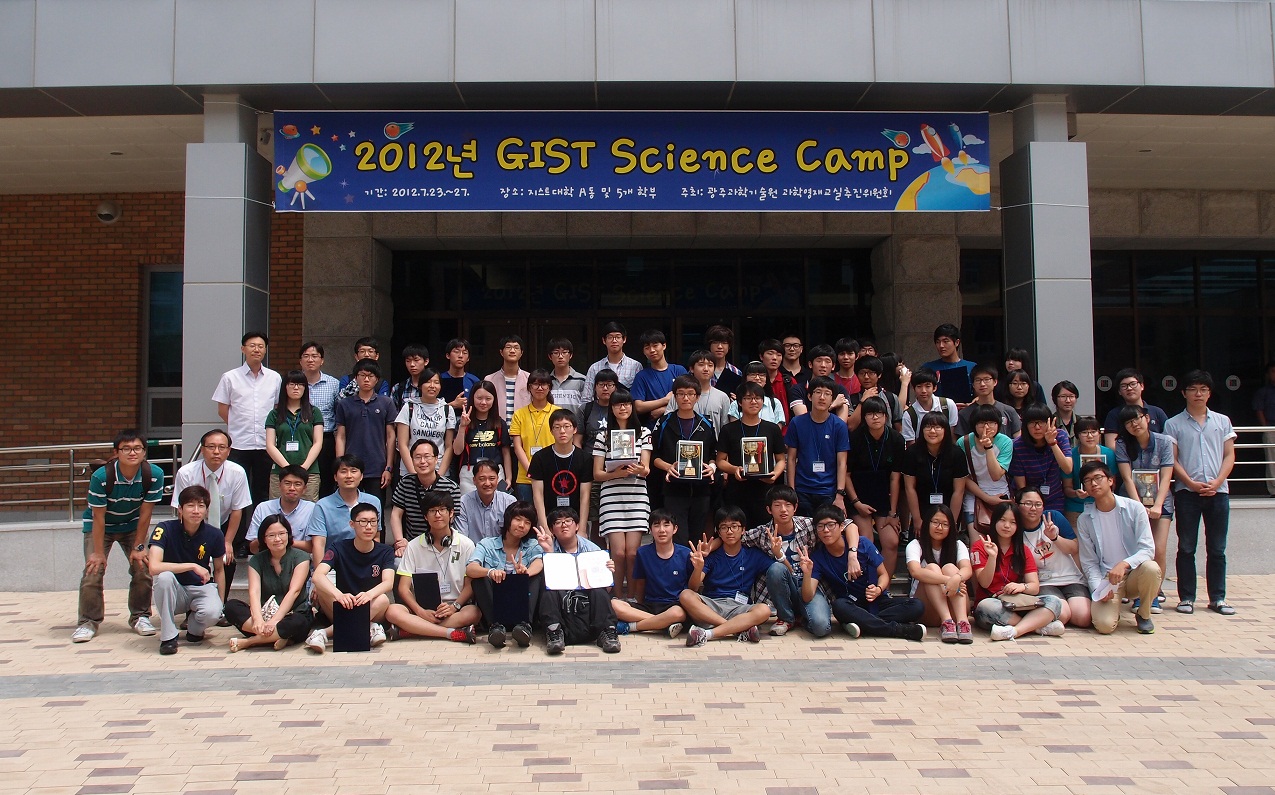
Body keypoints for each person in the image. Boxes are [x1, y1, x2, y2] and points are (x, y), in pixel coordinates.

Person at [72, 430, 166, 643]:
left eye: (137, 448)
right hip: (101, 526)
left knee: (142, 567)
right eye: (126, 449)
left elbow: (146, 513)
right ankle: (88, 622)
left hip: (132, 526)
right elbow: (98, 517)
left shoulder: (154, 474)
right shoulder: (101, 477)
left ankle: (140, 616)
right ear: (116, 452)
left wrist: (139, 546)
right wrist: (98, 552)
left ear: (144, 452)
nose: (132, 453)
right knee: (93, 570)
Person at [1165, 370, 1237, 616]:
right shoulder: (1173, 424)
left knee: (1217, 548)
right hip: (1187, 493)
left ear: (1209, 393)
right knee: (1186, 547)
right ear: (1184, 393)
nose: (1198, 394)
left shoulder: (1222, 421)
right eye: (1193, 389)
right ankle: (1186, 598)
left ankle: (1218, 598)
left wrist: (1217, 481)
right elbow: (1172, 460)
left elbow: (1229, 455)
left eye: (1203, 389)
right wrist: (1191, 482)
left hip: (1219, 492)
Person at [799, 504, 926, 641]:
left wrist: (878, 589)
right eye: (820, 526)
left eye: (831, 525)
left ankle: (864, 624)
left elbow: (883, 574)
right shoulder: (818, 557)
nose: (826, 530)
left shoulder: (863, 544)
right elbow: (807, 597)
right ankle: (898, 630)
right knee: (839, 606)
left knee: (917, 606)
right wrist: (807, 573)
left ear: (842, 526)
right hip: (852, 605)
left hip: (877, 601)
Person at [740, 485, 844, 638]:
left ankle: (801, 618)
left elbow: (848, 524)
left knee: (821, 628)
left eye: (788, 505)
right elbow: (733, 537)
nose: (783, 510)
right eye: (777, 505)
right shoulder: (762, 533)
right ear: (769, 509)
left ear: (795, 508)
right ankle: (786, 618)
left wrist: (853, 552)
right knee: (776, 568)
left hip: (810, 584)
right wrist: (709, 549)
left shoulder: (809, 525)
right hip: (784, 586)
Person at [1073, 461, 1160, 634]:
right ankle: (1114, 609)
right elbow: (1089, 562)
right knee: (1104, 626)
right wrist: (1098, 588)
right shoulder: (1085, 519)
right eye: (1088, 480)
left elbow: (1148, 549)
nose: (1093, 483)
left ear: (1111, 480)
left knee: (1151, 568)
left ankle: (1143, 614)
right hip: (1107, 579)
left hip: (1134, 572)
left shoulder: (1135, 508)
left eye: (1098, 477)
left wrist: (1124, 564)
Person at [384, 491, 481, 644]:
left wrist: (454, 607)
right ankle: (450, 633)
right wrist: (420, 612)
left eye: (442, 510)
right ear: (425, 516)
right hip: (423, 609)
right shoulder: (413, 546)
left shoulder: (466, 544)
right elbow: (403, 588)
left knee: (474, 612)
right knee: (392, 611)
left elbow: (469, 585)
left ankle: (412, 630)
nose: (437, 515)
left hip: (454, 607)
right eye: (432, 511)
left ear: (451, 513)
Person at [170, 429, 250, 603]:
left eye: (222, 447)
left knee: (227, 560)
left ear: (229, 450)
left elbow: (237, 510)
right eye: (211, 447)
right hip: (194, 523)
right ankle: (194, 604)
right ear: (202, 449)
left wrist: (227, 542)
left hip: (224, 523)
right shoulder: (186, 473)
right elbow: (181, 509)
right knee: (194, 559)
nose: (216, 452)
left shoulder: (237, 472)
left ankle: (220, 604)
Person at [305, 502, 395, 653]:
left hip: (370, 605)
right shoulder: (338, 547)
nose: (369, 527)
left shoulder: (385, 551)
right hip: (344, 604)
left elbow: (388, 583)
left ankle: (323, 633)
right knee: (321, 589)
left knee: (383, 599)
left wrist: (368, 595)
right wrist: (339, 595)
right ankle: (370, 627)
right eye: (363, 522)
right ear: (352, 524)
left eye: (373, 522)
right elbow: (318, 575)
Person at [680, 507, 776, 646]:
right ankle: (736, 628)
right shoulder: (711, 555)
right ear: (719, 532)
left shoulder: (753, 555)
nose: (729, 531)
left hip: (740, 608)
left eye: (734, 526)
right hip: (712, 606)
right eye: (724, 527)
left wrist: (779, 554)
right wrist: (698, 568)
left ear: (743, 530)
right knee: (685, 595)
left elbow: (780, 571)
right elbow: (693, 587)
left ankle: (707, 634)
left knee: (764, 610)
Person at [148, 485, 226, 655]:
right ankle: (168, 637)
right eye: (190, 505)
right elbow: (154, 567)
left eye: (201, 506)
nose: (196, 511)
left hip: (200, 588)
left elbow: (219, 570)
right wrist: (192, 566)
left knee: (213, 612)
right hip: (174, 590)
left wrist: (220, 603)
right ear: (180, 509)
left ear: (206, 511)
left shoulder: (215, 534)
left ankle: (194, 628)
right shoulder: (164, 528)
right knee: (165, 578)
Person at [971, 503, 1065, 641]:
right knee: (986, 606)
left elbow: (1034, 587)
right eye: (1002, 520)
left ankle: (1014, 631)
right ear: (994, 521)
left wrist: (1021, 587)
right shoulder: (980, 546)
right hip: (992, 603)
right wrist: (992, 557)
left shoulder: (1023, 549)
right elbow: (984, 583)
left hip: (1017, 604)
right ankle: (1037, 626)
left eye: (1013, 522)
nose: (1007, 526)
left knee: (1054, 601)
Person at [532, 508, 621, 654]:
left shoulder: (592, 549)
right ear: (552, 530)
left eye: (568, 521)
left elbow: (607, 590)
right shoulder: (545, 547)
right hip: (561, 600)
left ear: (577, 526)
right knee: (548, 586)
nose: (564, 525)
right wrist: (549, 552)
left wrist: (608, 573)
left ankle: (607, 632)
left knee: (598, 588)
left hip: (586, 599)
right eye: (558, 522)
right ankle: (554, 633)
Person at [592, 389, 652, 600]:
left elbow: (646, 469)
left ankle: (633, 600)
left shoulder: (644, 432)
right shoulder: (603, 435)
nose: (622, 408)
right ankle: (617, 599)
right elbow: (597, 474)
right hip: (612, 498)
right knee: (617, 553)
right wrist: (616, 473)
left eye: (626, 404)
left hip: (636, 497)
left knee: (633, 553)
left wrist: (639, 469)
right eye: (618, 404)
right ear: (612, 408)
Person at [212, 331, 282, 511]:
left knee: (262, 492)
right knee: (236, 493)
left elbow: (277, 408)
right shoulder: (230, 377)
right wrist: (239, 425)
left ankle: (261, 527)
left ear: (265, 350)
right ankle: (238, 529)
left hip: (266, 445)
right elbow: (222, 409)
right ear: (243, 349)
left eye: (260, 346)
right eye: (252, 346)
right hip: (238, 444)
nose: (256, 350)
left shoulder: (274, 378)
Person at [1115, 404, 1175, 612]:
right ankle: (1134, 592)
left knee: (1158, 549)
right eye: (1128, 422)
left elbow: (1166, 476)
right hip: (1132, 502)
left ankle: (1152, 596)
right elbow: (1126, 477)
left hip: (1161, 502)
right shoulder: (1122, 443)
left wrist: (1157, 504)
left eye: (1137, 418)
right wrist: (1139, 506)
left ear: (1147, 418)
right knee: (1134, 548)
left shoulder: (1165, 442)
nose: (1134, 424)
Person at [224, 513, 311, 652]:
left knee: (298, 622)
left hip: (292, 613)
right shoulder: (256, 560)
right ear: (264, 539)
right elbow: (254, 592)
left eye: (282, 534)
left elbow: (294, 591)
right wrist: (258, 619)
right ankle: (279, 637)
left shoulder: (301, 557)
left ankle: (250, 642)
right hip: (265, 613)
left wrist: (274, 621)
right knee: (231, 607)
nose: (277, 539)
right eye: (271, 535)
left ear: (288, 534)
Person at [465, 501, 546, 649]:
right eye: (518, 519)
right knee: (479, 579)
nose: (522, 525)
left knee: (536, 577)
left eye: (527, 522)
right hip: (496, 606)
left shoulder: (532, 545)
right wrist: (490, 572)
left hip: (522, 606)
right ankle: (496, 627)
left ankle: (525, 627)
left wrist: (525, 573)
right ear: (508, 519)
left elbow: (539, 563)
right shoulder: (487, 544)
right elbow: (470, 568)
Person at [654, 375, 719, 546]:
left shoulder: (706, 423)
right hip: (673, 490)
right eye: (681, 394)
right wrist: (668, 467)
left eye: (690, 394)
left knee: (697, 538)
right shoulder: (664, 422)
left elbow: (714, 454)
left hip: (701, 490)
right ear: (675, 396)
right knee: (678, 539)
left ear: (697, 397)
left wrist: (712, 467)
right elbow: (654, 456)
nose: (685, 398)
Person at [845, 396, 906, 575]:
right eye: (870, 414)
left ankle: (884, 585)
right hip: (859, 497)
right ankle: (869, 583)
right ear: (864, 417)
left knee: (891, 542)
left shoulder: (896, 439)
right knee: (866, 541)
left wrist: (893, 512)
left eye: (879, 413)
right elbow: (846, 475)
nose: (875, 417)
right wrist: (856, 503)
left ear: (886, 416)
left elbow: (895, 478)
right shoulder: (855, 438)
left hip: (884, 498)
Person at [1017, 487, 1091, 628]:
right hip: (1043, 583)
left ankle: (1043, 620)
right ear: (1018, 505)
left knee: (1083, 617)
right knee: (1062, 614)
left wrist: (1055, 537)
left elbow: (1074, 548)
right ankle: (1042, 622)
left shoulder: (1054, 517)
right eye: (1028, 504)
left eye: (1038, 504)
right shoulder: (1016, 529)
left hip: (1070, 577)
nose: (1033, 508)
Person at [717, 382, 786, 528]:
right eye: (748, 398)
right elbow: (720, 461)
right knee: (737, 529)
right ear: (740, 402)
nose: (754, 402)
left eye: (758, 398)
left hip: (764, 490)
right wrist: (734, 469)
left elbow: (781, 459)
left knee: (764, 530)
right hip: (737, 490)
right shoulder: (728, 429)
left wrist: (774, 474)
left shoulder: (772, 429)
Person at [610, 510, 689, 637]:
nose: (661, 530)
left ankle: (632, 627)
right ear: (650, 530)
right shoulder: (643, 552)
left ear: (675, 529)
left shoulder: (685, 553)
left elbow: (692, 588)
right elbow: (641, 583)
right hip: (650, 605)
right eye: (656, 525)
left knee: (677, 613)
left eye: (666, 525)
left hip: (674, 605)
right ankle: (664, 625)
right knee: (614, 604)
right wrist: (639, 603)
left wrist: (698, 568)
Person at [783, 375, 850, 518]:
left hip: (828, 490)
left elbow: (842, 462)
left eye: (827, 394)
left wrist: (840, 494)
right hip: (802, 489)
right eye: (818, 392)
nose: (822, 397)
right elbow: (791, 459)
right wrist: (791, 491)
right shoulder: (797, 423)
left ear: (832, 399)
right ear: (809, 396)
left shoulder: (839, 426)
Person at [905, 505, 973, 643]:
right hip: (926, 609)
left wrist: (956, 578)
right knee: (931, 568)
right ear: (927, 523)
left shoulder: (958, 545)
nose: (939, 527)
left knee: (950, 568)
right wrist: (948, 580)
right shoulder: (915, 544)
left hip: (955, 608)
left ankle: (963, 623)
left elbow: (967, 569)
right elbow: (915, 571)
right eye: (935, 522)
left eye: (945, 524)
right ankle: (947, 622)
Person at [333, 359, 396, 502]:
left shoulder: (386, 403)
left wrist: (388, 467)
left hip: (377, 466)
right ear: (356, 378)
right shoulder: (344, 404)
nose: (366, 379)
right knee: (350, 507)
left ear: (377, 379)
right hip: (351, 467)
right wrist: (340, 466)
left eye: (370, 376)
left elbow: (391, 436)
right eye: (362, 375)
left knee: (376, 508)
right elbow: (340, 436)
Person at [389, 439, 462, 556]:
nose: (422, 461)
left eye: (427, 456)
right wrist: (400, 541)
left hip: (443, 545)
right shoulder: (405, 483)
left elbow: (454, 520)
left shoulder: (451, 487)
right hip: (413, 545)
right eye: (417, 457)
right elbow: (396, 515)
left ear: (436, 459)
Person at [902, 413, 969, 540]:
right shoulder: (912, 453)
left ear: (945, 430)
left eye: (937, 427)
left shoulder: (957, 454)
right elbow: (910, 488)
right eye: (928, 427)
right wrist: (916, 519)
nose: (932, 431)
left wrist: (952, 522)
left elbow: (959, 491)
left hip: (948, 508)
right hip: (921, 509)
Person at [528, 409, 593, 530]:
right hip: (548, 518)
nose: (562, 431)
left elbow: (585, 495)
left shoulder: (585, 458)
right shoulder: (539, 457)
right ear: (551, 431)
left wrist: (582, 528)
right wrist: (545, 527)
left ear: (575, 429)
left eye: (567, 426)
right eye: (557, 427)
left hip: (575, 520)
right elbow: (537, 495)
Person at [954, 405, 1013, 540]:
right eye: (981, 423)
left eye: (991, 423)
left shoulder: (1006, 442)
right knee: (977, 543)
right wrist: (986, 498)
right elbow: (963, 477)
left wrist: (988, 447)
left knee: (1001, 539)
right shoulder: (963, 442)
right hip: (974, 495)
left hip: (1001, 493)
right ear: (974, 425)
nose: (987, 427)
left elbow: (996, 475)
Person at [264, 370, 324, 500]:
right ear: (284, 387)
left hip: (309, 471)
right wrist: (288, 469)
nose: (296, 388)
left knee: (309, 508)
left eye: (300, 384)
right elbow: (270, 445)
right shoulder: (274, 414)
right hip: (280, 472)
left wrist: (303, 468)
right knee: (277, 508)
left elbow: (318, 442)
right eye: (292, 384)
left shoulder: (314, 412)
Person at [310, 454, 382, 557]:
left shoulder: (373, 501)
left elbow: (376, 537)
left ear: (361, 476)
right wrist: (320, 567)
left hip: (365, 560)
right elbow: (319, 544)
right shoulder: (322, 505)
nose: (349, 476)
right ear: (335, 477)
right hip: (333, 561)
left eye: (353, 471)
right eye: (343, 471)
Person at [451, 379, 513, 495]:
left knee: (498, 505)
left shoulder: (500, 423)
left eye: (488, 399)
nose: (483, 402)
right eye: (479, 398)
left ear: (494, 399)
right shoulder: (463, 422)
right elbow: (457, 451)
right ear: (472, 398)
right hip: (469, 474)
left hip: (495, 473)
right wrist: (462, 427)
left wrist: (508, 478)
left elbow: (505, 452)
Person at [393, 367, 457, 478]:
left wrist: (439, 476)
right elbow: (402, 444)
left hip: (438, 469)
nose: (432, 386)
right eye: (428, 382)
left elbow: (449, 446)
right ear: (420, 385)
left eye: (436, 382)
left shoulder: (447, 409)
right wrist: (414, 474)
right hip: (411, 470)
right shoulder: (409, 407)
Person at [1009, 405, 1074, 514]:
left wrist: (1052, 443)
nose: (1037, 427)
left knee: (1054, 521)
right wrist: (1029, 505)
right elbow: (1021, 486)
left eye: (1041, 422)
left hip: (1054, 496)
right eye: (1032, 423)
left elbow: (1067, 468)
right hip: (1028, 499)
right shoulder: (1017, 445)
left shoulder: (1060, 436)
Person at [509, 369, 559, 502]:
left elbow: (562, 444)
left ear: (549, 387)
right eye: (535, 384)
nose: (539, 388)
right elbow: (517, 447)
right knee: (526, 513)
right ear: (529, 387)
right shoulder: (519, 414)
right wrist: (532, 471)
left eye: (543, 384)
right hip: (525, 478)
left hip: (552, 475)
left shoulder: (558, 413)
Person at [299, 342, 340, 497]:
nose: (310, 360)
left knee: (326, 480)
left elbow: (338, 412)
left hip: (326, 439)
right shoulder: (294, 383)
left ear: (322, 360)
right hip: (301, 437)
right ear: (300, 360)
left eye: (314, 356)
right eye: (306, 356)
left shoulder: (333, 384)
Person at [245, 466, 317, 555]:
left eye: (297, 484)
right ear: (279, 485)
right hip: (268, 558)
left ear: (304, 489)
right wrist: (266, 535)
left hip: (299, 559)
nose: (292, 488)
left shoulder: (312, 509)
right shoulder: (263, 508)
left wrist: (284, 541)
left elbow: (314, 546)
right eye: (287, 483)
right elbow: (253, 549)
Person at [1062, 417, 1116, 526]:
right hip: (1076, 506)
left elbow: (1113, 483)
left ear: (1099, 433)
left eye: (1093, 432)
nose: (1090, 436)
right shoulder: (1070, 456)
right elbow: (1067, 488)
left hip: (1103, 504)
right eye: (1084, 432)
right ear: (1077, 435)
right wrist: (1076, 493)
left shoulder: (1109, 454)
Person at [630, 328, 687, 428]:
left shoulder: (679, 371)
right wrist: (665, 400)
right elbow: (638, 407)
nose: (652, 350)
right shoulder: (641, 376)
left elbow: (690, 398)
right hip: (653, 429)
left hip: (680, 425)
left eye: (655, 345)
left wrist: (664, 410)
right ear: (644, 352)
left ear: (664, 346)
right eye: (647, 347)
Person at [1102, 368, 1170, 449]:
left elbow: (1169, 441)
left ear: (1142, 386)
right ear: (1119, 391)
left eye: (1133, 384)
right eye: (1124, 386)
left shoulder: (1157, 412)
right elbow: (1111, 446)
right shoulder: (1114, 415)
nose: (1129, 388)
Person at [455, 459, 517, 543]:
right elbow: (462, 538)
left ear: (497, 480)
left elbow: (514, 536)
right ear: (474, 480)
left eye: (492, 478)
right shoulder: (463, 503)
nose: (487, 483)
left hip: (502, 550)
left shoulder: (509, 502)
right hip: (473, 550)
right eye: (482, 479)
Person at [956, 364, 1021, 439]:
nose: (982, 384)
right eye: (978, 380)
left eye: (986, 379)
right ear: (973, 385)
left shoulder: (1009, 411)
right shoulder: (964, 414)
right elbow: (962, 442)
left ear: (995, 382)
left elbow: (1018, 438)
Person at [921, 323, 976, 405]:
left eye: (945, 341)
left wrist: (973, 403)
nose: (941, 346)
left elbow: (981, 393)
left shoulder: (972, 367)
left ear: (957, 342)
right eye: (938, 342)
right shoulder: (928, 368)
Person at [901, 368, 959, 446]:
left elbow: (952, 436)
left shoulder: (948, 405)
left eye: (928, 386)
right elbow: (911, 445)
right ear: (914, 389)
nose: (923, 391)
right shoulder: (909, 415)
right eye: (919, 386)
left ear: (934, 388)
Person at [582, 321, 642, 396]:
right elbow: (587, 397)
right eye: (610, 337)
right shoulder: (594, 368)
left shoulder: (636, 366)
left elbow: (638, 396)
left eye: (618, 337)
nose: (614, 341)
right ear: (604, 340)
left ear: (624, 339)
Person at [759, 338, 807, 423]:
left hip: (786, 429)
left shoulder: (789, 381)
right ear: (761, 356)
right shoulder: (754, 380)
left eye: (779, 355)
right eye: (770, 353)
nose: (774, 358)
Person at [485, 334, 530, 422]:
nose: (512, 351)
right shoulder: (490, 379)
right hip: (497, 427)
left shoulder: (529, 379)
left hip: (523, 427)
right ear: (501, 352)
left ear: (521, 353)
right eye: (508, 347)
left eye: (516, 348)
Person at [726, 362, 786, 427]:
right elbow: (734, 429)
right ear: (745, 378)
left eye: (762, 375)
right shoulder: (736, 404)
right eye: (753, 374)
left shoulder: (775, 403)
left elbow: (776, 431)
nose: (757, 378)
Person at [688, 349, 733, 433]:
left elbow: (725, 429)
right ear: (691, 369)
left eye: (710, 365)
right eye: (701, 365)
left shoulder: (722, 397)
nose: (706, 369)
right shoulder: (681, 396)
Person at [802, 344, 850, 420]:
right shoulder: (799, 389)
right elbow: (803, 420)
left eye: (827, 361)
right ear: (810, 364)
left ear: (833, 366)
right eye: (819, 361)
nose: (823, 365)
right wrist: (832, 405)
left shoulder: (840, 390)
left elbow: (842, 422)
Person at [575, 369, 618, 450]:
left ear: (615, 388)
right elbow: (577, 440)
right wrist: (580, 456)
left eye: (609, 384)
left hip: (614, 455)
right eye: (601, 384)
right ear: (595, 387)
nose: (605, 388)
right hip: (589, 455)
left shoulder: (622, 408)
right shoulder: (585, 409)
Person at [547, 337, 587, 415]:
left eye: (564, 352)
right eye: (556, 353)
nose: (560, 356)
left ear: (570, 355)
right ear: (550, 356)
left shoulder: (582, 380)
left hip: (575, 422)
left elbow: (586, 408)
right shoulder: (546, 381)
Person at [1252, 360, 1275, 496]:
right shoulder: (1263, 392)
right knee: (1272, 459)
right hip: (1271, 428)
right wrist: (1266, 427)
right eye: (1273, 371)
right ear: (1268, 374)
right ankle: (1274, 489)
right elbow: (1259, 409)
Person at [440, 338, 481, 412]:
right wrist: (453, 405)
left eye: (465, 353)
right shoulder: (439, 379)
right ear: (448, 355)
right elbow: (432, 408)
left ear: (468, 358)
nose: (460, 356)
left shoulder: (474, 381)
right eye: (456, 352)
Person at [704, 324, 743, 396]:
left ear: (729, 346)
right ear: (709, 345)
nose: (720, 346)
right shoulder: (700, 370)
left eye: (724, 343)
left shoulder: (736, 372)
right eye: (715, 342)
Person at [389, 343, 430, 410]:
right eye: (408, 361)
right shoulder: (398, 388)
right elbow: (393, 413)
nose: (412, 364)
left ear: (426, 361)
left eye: (416, 360)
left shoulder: (434, 387)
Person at [1051, 380, 1080, 446]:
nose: (1068, 400)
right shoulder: (1050, 422)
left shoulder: (1080, 422)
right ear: (1055, 399)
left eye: (1071, 396)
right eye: (1063, 396)